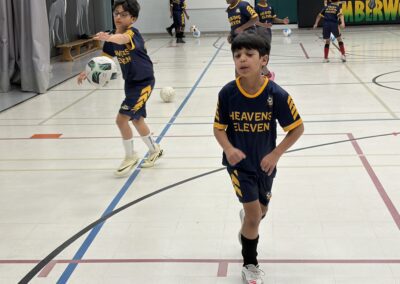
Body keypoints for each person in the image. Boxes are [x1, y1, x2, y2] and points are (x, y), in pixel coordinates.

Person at [213, 32, 304, 284]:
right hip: (238, 166)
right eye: (237, 55)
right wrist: (229, 149)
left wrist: (276, 153)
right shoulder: (227, 93)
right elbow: (218, 128)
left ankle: (248, 220)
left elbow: (297, 128)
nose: (242, 59)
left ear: (263, 59)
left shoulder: (277, 95)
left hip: (265, 165)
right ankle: (250, 266)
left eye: (249, 55)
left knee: (260, 212)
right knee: (254, 216)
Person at [77, 0, 163, 177]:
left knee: (121, 119)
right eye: (116, 13)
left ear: (133, 18)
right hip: (130, 83)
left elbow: (123, 39)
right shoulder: (111, 37)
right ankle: (155, 150)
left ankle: (130, 156)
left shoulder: (133, 33)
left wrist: (108, 37)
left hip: (144, 82)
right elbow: (104, 60)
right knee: (136, 119)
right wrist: (88, 70)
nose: (118, 17)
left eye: (123, 14)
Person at [254, 0, 290, 80]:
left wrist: (282, 21)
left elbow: (273, 19)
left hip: (268, 32)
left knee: (266, 53)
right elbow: (255, 21)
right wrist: (264, 25)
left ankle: (263, 71)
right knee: (261, 52)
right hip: (260, 31)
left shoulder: (270, 7)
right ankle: (264, 73)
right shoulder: (257, 8)